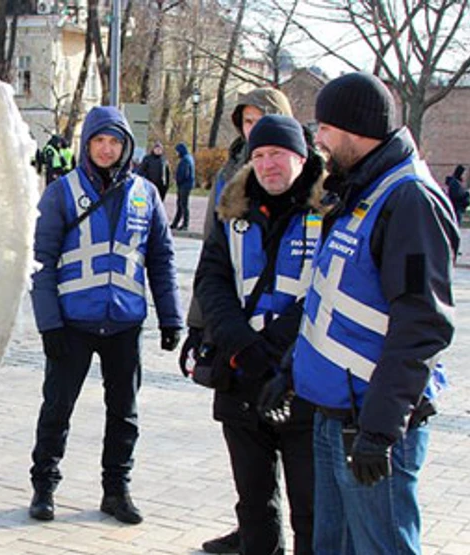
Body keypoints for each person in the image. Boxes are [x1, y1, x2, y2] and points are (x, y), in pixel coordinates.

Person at [291, 72, 457, 554]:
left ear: (356, 129)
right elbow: (333, 299)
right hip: (335, 414)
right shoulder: (358, 187)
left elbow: (421, 326)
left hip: (371, 426)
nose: (317, 138)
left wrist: (380, 431)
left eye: (325, 127)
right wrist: (290, 371)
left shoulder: (408, 199)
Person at [27, 105, 183, 525]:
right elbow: (39, 261)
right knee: (57, 409)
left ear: (126, 145)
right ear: (87, 145)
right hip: (72, 324)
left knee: (125, 413)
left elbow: (162, 259)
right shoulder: (61, 192)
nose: (107, 149)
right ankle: (44, 486)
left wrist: (171, 318)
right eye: (99, 140)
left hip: (125, 324)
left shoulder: (145, 193)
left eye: (115, 141)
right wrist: (48, 323)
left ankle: (116, 490)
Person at [195, 115, 324, 555]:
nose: (268, 165)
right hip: (241, 374)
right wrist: (242, 346)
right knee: (254, 504)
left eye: (279, 154)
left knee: (310, 507)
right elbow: (211, 280)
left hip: (302, 380)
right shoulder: (233, 209)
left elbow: (325, 294)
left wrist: (271, 351)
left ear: (302, 158)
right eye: (260, 155)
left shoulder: (330, 212)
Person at [182, 87, 294, 555]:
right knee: (251, 476)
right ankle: (252, 534)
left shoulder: (318, 191)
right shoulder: (231, 175)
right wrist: (201, 327)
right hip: (237, 346)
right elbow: (213, 265)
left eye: (263, 122)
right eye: (247, 124)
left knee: (300, 482)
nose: (253, 134)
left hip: (291, 360)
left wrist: (272, 346)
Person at [170, 142, 195, 229]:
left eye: (177, 151)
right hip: (185, 185)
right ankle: (175, 223)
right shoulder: (188, 158)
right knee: (180, 204)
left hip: (184, 185)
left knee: (183, 205)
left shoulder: (185, 160)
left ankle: (185, 224)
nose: (176, 153)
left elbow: (184, 173)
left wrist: (178, 181)